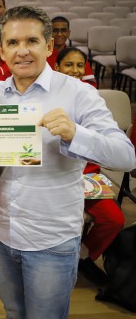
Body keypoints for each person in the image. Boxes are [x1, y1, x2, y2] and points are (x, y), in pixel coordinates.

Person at [0, 5, 136, 319]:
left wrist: (74, 133)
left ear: (50, 46)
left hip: (52, 238)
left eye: (32, 41)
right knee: (13, 312)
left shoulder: (79, 94)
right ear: (1, 49)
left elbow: (126, 156)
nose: (22, 51)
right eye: (12, 43)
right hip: (4, 232)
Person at [54, 47, 125, 285]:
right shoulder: (46, 96)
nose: (74, 70)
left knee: (113, 219)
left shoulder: (92, 98)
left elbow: (105, 142)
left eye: (79, 66)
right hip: (54, 173)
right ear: (56, 67)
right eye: (68, 65)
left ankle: (82, 256)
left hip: (87, 173)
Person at [47, 16, 96, 87]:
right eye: (55, 30)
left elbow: (91, 84)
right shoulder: (42, 56)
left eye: (63, 30)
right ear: (49, 33)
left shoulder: (77, 56)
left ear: (68, 33)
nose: (59, 34)